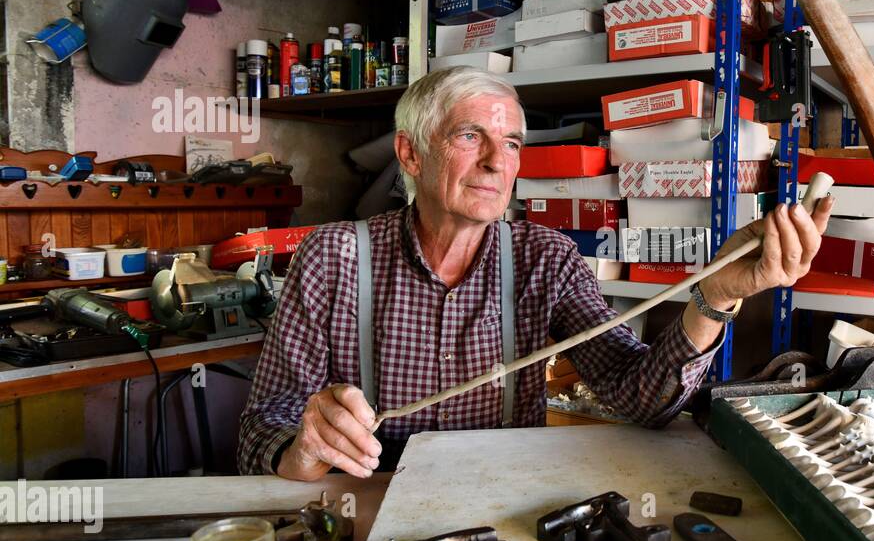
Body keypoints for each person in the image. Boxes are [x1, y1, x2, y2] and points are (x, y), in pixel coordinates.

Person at [237, 67, 832, 480]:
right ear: (411, 154)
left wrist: (716, 295)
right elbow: (261, 427)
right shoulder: (335, 257)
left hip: (498, 506)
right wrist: (301, 450)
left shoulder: (545, 259)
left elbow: (641, 398)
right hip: (366, 503)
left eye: (513, 143)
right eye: (471, 136)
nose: (499, 162)